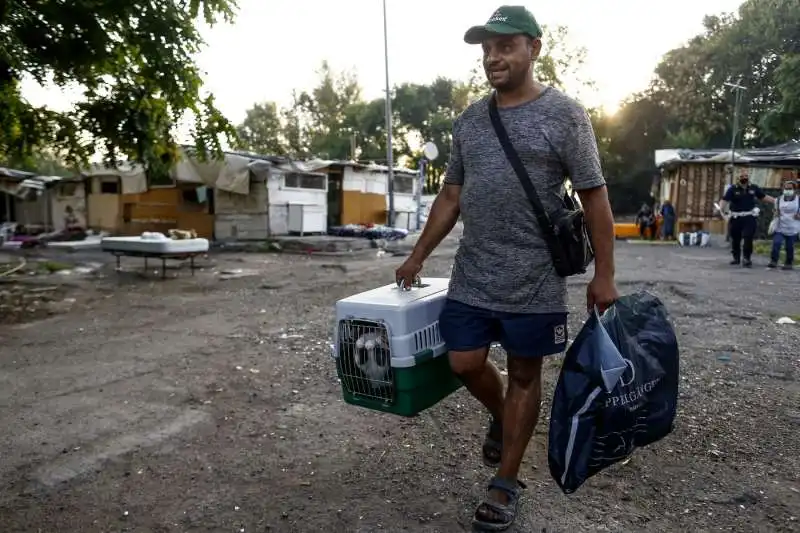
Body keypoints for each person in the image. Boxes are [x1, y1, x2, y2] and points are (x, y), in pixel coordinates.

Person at [394, 6, 618, 530]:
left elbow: (594, 196)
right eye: (487, 48)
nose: (493, 57)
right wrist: (419, 252)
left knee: (523, 372)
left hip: (535, 277)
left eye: (505, 45)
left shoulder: (566, 116)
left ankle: (507, 481)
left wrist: (603, 274)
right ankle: (503, 417)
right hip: (474, 272)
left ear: (534, 48)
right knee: (464, 363)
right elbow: (452, 194)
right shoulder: (470, 120)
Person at [719, 170, 775, 267]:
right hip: (736, 218)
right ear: (738, 178)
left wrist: (776, 201)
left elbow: (763, 197)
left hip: (749, 217)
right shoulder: (733, 189)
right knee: (736, 239)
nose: (744, 178)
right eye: (742, 176)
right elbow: (724, 200)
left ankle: (746, 258)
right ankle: (736, 258)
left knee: (748, 237)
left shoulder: (753, 188)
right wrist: (721, 209)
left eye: (746, 176)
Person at [769, 180, 799, 270]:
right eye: (786, 188)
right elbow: (775, 211)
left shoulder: (798, 200)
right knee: (776, 243)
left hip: (793, 228)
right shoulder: (778, 200)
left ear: (794, 189)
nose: (787, 190)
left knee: (789, 247)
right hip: (780, 226)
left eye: (790, 189)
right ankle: (773, 261)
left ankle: (788, 263)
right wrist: (775, 213)